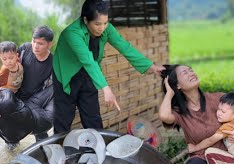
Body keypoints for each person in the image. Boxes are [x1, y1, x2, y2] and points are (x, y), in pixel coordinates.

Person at [53, 0, 165, 133]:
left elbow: (125, 47)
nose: (102, 28)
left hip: (90, 75)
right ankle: (57, 151)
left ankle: (98, 151)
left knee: (93, 118)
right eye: (97, 24)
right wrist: (106, 89)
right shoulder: (72, 33)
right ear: (85, 20)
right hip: (66, 75)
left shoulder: (107, 29)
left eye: (105, 23)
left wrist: (150, 66)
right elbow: (88, 60)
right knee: (63, 119)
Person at [158, 64, 234, 164]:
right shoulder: (180, 112)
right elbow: (164, 116)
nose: (191, 73)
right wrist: (169, 93)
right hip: (202, 160)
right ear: (177, 85)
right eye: (185, 72)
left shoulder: (219, 99)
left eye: (191, 70)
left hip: (230, 159)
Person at [16, 25, 54, 141]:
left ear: (49, 44)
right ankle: (11, 146)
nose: (35, 46)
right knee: (12, 131)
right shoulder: (24, 49)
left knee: (41, 131)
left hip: (36, 99)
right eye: (34, 41)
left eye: (40, 43)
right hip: (17, 95)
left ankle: (43, 153)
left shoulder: (53, 62)